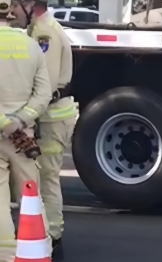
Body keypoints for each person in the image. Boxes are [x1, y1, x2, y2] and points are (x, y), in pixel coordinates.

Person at [11, 0, 77, 260]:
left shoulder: (44, 33)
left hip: (50, 118)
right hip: (49, 117)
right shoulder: (40, 28)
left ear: (29, 4)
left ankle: (53, 239)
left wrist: (21, 118)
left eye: (15, 6)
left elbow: (44, 87)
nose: (12, 14)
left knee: (47, 180)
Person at [0, 0, 52, 261]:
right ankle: (40, 252)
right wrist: (20, 121)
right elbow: (43, 94)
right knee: (31, 198)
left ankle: (7, 256)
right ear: (10, 15)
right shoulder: (32, 46)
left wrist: (4, 122)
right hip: (24, 139)